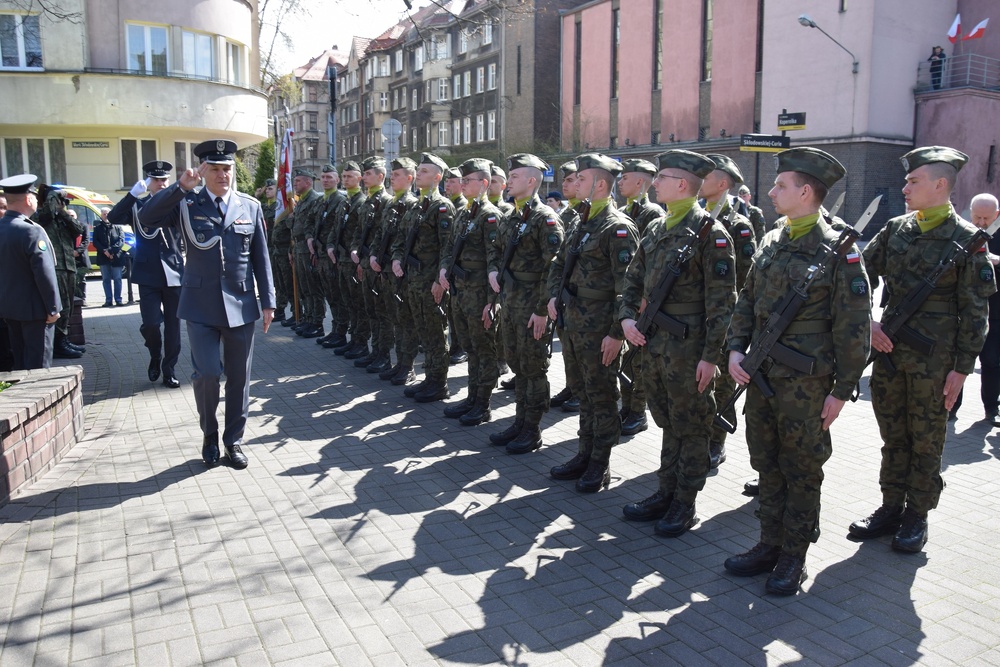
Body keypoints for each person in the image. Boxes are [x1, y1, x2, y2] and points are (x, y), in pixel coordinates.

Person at [724, 147, 871, 595]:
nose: (770, 192)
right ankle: (768, 541)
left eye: (780, 185)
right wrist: (734, 349)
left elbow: (854, 328)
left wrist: (842, 391)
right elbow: (746, 300)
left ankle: (794, 553)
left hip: (807, 386)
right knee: (765, 463)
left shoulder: (840, 252)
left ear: (806, 191)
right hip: (760, 377)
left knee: (802, 468)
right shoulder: (772, 239)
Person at [850, 146, 994, 554]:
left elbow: (975, 311)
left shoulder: (968, 241)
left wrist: (962, 369)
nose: (905, 187)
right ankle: (891, 506)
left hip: (936, 362)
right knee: (893, 436)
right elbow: (855, 278)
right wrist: (869, 323)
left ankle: (918, 514)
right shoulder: (895, 229)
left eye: (914, 181)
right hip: (891, 355)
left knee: (927, 440)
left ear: (941, 185)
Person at [139, 139, 275, 470]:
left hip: (241, 305)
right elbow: (146, 217)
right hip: (199, 306)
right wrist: (179, 188)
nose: (221, 175)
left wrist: (269, 301)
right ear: (203, 171)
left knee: (240, 378)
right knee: (208, 374)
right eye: (213, 169)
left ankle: (234, 440)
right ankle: (210, 435)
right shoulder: (186, 204)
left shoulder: (250, 206)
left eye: (226, 168)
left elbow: (261, 257)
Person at [619, 150, 736, 536]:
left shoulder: (710, 235)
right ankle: (665, 491)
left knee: (693, 426)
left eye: (662, 177)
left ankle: (685, 503)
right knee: (669, 422)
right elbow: (632, 279)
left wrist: (711, 358)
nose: (655, 183)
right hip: (654, 345)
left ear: (682, 184)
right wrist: (626, 318)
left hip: (689, 349)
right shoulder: (657, 228)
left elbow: (722, 305)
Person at [547, 153, 639, 493]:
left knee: (601, 396)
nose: (575, 183)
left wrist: (617, 333)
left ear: (600, 184)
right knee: (584, 393)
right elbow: (559, 264)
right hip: (573, 322)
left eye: (582, 179)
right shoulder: (580, 221)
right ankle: (584, 453)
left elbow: (628, 287)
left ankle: (600, 463)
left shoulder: (617, 228)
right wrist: (552, 296)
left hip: (600, 327)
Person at [487, 154, 564, 453]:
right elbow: (495, 250)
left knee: (533, 368)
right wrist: (493, 270)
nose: (509, 181)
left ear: (531, 181)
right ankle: (519, 421)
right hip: (510, 301)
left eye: (515, 176)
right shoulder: (511, 216)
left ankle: (532, 428)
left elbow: (554, 268)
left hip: (533, 305)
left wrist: (543, 310)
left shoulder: (545, 218)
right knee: (518, 364)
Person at [108, 160, 185, 387]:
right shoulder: (136, 206)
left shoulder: (178, 204)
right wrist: (132, 195)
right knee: (151, 324)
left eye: (164, 180)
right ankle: (154, 354)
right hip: (148, 274)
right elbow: (112, 218)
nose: (161, 183)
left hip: (173, 272)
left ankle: (169, 369)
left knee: (174, 327)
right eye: (156, 180)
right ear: (147, 182)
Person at [702, 154, 756, 469]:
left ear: (722, 183)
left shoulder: (737, 223)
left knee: (722, 383)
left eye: (706, 175)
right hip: (699, 316)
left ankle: (716, 441)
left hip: (726, 317)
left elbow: (747, 279)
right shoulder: (697, 218)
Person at [439, 158, 502, 425]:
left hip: (479, 293)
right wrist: (443, 269)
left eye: (468, 181)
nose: (462, 185)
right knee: (470, 347)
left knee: (484, 349)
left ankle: (483, 403)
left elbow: (495, 263)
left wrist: (492, 303)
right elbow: (450, 248)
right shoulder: (464, 213)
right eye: (461, 180)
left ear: (484, 184)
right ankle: (472, 396)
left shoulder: (491, 216)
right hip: (461, 290)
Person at [391, 153, 456, 402]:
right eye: (418, 170)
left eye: (425, 171)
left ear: (437, 177)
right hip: (413, 280)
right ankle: (429, 378)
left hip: (431, 282)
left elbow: (447, 248)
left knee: (436, 333)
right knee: (423, 332)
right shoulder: (417, 206)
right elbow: (401, 238)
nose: (419, 174)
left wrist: (440, 281)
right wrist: (397, 258)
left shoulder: (442, 207)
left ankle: (439, 383)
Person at [616, 158, 664, 437]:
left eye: (626, 177)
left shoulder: (653, 214)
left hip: (642, 299)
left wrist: (644, 298)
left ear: (641, 182)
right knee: (626, 357)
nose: (620, 182)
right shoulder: (625, 211)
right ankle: (627, 406)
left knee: (637, 357)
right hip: (627, 293)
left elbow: (652, 262)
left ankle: (637, 410)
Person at [0, 175, 60, 370]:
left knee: (20, 364)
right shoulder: (30, 231)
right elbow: (44, 273)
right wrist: (53, 308)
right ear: (28, 199)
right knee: (38, 368)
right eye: (34, 195)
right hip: (36, 312)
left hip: (10, 310)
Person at [367, 158, 418, 375]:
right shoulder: (390, 204)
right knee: (392, 316)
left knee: (404, 320)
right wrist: (373, 255)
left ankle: (407, 367)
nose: (392, 178)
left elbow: (407, 240)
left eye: (396, 175)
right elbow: (380, 233)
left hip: (401, 271)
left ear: (409, 178)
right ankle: (394, 361)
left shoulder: (411, 204)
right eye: (392, 174)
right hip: (385, 269)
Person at [36, 184, 86, 359]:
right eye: (59, 200)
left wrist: (63, 211)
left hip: (69, 267)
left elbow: (79, 230)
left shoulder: (62, 218)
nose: (62, 203)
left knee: (68, 306)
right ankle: (58, 343)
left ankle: (63, 339)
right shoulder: (41, 217)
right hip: (55, 267)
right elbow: (46, 215)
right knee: (60, 305)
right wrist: (51, 198)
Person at [548, 161, 582, 413]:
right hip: (566, 295)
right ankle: (573, 386)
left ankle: (582, 391)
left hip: (588, 298)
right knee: (568, 347)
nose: (566, 185)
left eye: (572, 180)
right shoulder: (569, 215)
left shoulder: (593, 214)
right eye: (566, 180)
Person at [323, 161, 366, 350]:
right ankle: (351, 339)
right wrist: (330, 246)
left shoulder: (361, 202)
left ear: (359, 179)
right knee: (346, 301)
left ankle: (360, 342)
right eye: (345, 176)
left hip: (353, 261)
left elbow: (362, 233)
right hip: (341, 260)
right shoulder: (345, 202)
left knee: (358, 304)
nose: (346, 179)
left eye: (349, 176)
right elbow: (335, 228)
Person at [310, 165, 347, 348]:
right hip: (322, 254)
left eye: (329, 177)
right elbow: (313, 222)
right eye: (323, 177)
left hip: (333, 256)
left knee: (338, 295)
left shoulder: (340, 199)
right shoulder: (321, 200)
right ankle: (334, 330)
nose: (325, 180)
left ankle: (340, 332)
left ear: (337, 180)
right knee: (330, 295)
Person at [971, 194, 1000, 425]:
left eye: (986, 218)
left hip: (995, 314)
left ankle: (991, 409)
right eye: (977, 217)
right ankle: (951, 409)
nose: (981, 222)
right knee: (955, 363)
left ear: (996, 216)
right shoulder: (963, 233)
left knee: (991, 362)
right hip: (966, 313)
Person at [286, 168, 324, 338]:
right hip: (298, 248)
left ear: (308, 182)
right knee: (304, 287)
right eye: (294, 182)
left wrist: (314, 250)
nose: (295, 184)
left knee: (313, 287)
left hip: (308, 250)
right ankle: (308, 318)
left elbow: (314, 226)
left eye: (298, 181)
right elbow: (292, 226)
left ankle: (317, 322)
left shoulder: (315, 199)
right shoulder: (300, 201)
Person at [92, 208, 127, 308]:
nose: (106, 216)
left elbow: (121, 240)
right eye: (104, 214)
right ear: (101, 215)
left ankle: (118, 299)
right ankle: (108, 300)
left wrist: (111, 251)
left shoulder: (118, 226)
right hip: (103, 257)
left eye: (107, 214)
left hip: (116, 256)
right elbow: (96, 242)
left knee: (117, 279)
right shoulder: (97, 228)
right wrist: (105, 251)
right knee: (106, 279)